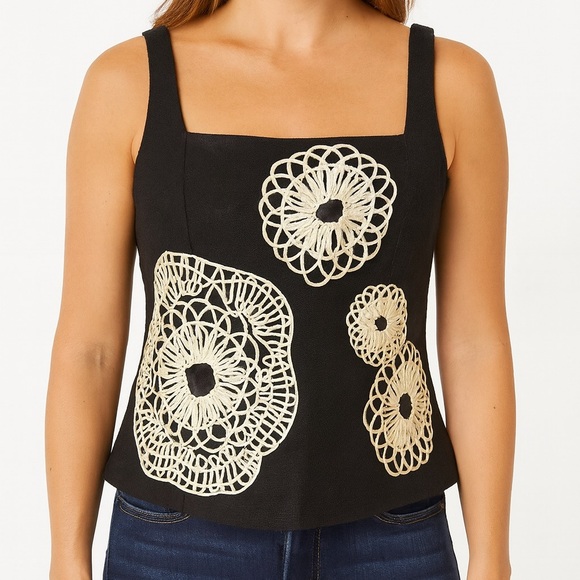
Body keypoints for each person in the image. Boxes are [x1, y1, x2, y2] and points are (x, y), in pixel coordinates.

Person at [45, 0, 516, 578]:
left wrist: (492, 558)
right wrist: (66, 557)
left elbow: (475, 343)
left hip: (392, 533)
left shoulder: (452, 82)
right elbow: (89, 348)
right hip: (176, 537)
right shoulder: (126, 82)